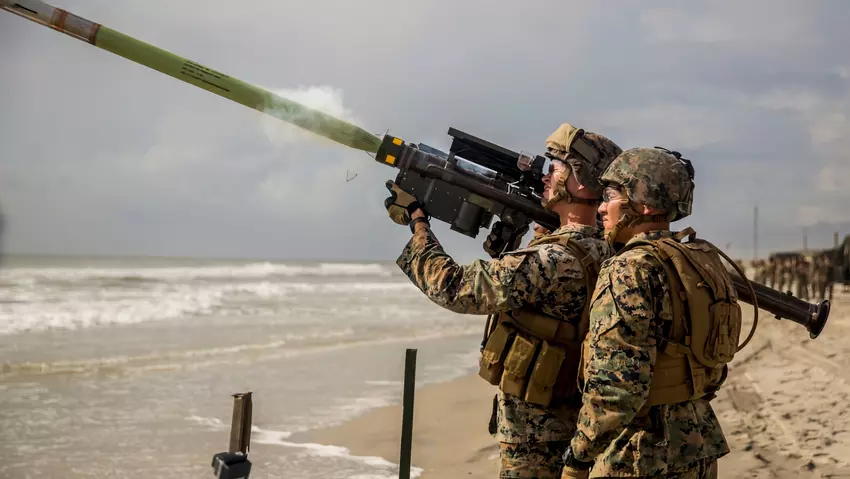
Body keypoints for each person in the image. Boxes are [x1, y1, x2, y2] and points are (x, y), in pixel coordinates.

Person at [384, 122, 622, 478]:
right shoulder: (610, 250)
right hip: (573, 426)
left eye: (557, 168)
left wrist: (417, 222)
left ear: (582, 182)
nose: (546, 175)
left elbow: (454, 287)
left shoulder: (553, 260)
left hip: (536, 438)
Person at [561, 147, 740, 478]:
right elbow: (714, 363)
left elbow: (617, 388)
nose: (601, 207)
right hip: (698, 444)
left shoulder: (629, 268)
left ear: (643, 202)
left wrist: (578, 456)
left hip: (639, 454)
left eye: (611, 195)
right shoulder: (700, 260)